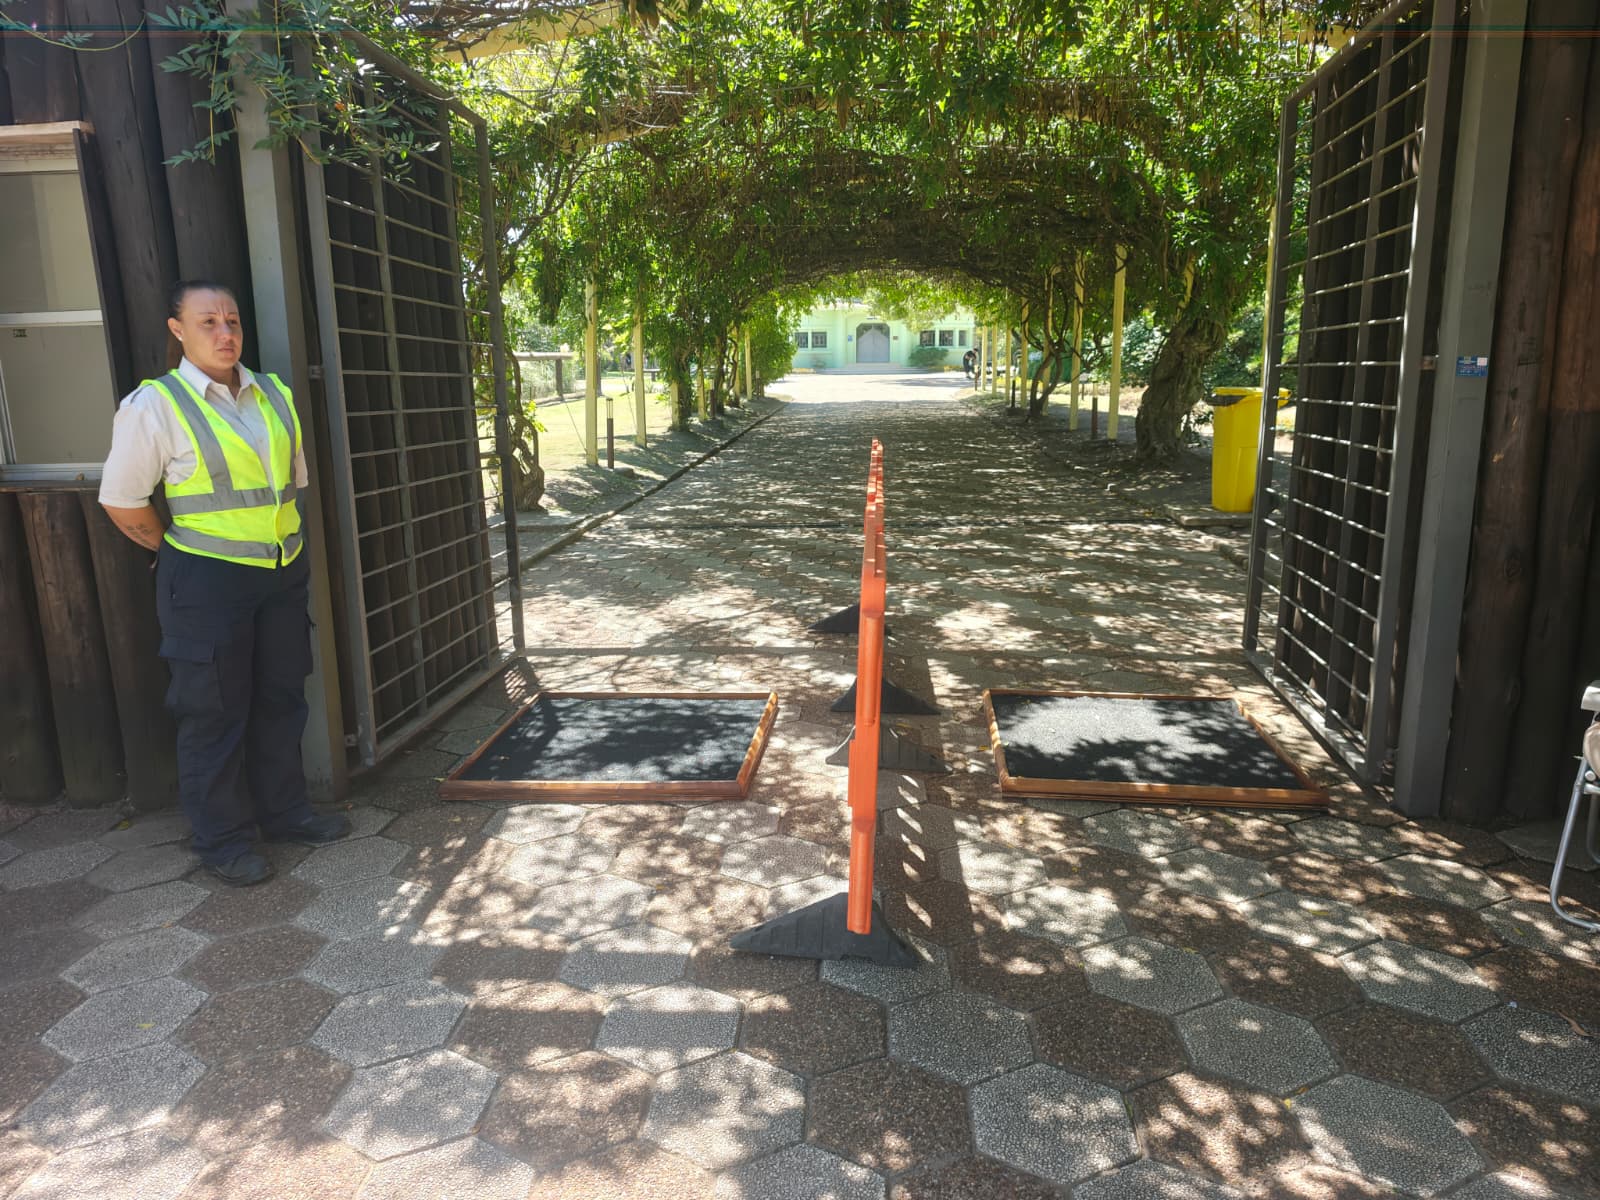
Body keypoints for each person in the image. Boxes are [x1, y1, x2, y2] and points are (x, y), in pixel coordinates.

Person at [99, 280, 349, 886]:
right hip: (206, 582)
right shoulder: (154, 405)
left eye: (232, 320)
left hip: (280, 573)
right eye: (207, 322)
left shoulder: (274, 395)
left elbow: (289, 487)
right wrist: (179, 553)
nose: (225, 333)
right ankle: (223, 841)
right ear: (177, 330)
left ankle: (285, 813)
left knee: (281, 698)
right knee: (213, 713)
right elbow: (123, 502)